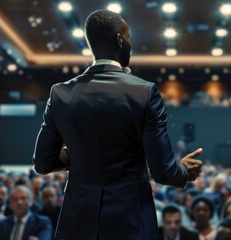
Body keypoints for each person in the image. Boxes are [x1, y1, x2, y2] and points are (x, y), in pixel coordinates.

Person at [32, 9, 203, 240]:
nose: (130, 42)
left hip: (77, 222)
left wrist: (84, 153)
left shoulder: (60, 93)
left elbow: (44, 162)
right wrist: (184, 171)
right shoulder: (144, 92)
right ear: (120, 40)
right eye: (129, 36)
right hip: (131, 222)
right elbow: (163, 172)